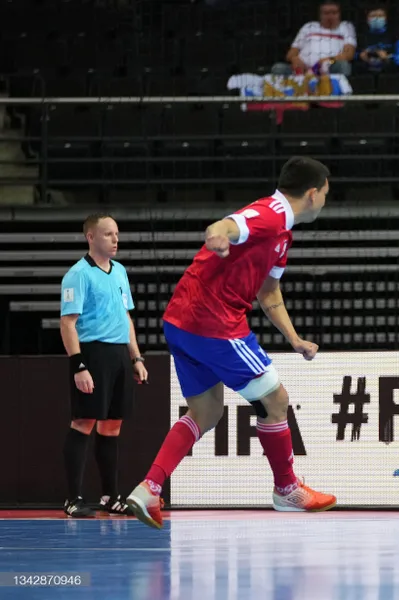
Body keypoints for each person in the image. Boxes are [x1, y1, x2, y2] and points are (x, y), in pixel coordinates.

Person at [126, 157, 337, 529]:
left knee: (206, 413)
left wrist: (294, 339)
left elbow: (268, 292)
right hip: (213, 321)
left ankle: (149, 488)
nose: (325, 200)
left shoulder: (282, 234)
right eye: (325, 193)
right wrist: (219, 235)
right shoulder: (270, 214)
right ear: (312, 193)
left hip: (182, 321)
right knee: (276, 400)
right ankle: (287, 489)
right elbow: (226, 225)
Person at [60, 214, 149, 518]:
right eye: (108, 234)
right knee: (84, 422)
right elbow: (68, 323)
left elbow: (126, 318)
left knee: (112, 426)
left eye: (117, 234)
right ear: (90, 237)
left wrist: (135, 358)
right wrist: (78, 365)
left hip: (118, 356)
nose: (115, 239)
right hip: (93, 353)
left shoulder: (120, 271)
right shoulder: (78, 274)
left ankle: (111, 496)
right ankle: (73, 499)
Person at [274, 1, 357, 77]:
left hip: (328, 69)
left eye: (334, 13)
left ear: (339, 14)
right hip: (301, 71)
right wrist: (294, 59)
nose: (330, 16)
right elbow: (290, 53)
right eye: (326, 13)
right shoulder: (309, 26)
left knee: (343, 65)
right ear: (320, 15)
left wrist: (327, 61)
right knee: (278, 68)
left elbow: (349, 54)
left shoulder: (346, 26)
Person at [355, 5, 399, 74]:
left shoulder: (396, 35)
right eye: (373, 16)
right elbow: (350, 54)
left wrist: (388, 57)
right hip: (364, 74)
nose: (377, 19)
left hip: (390, 74)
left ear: (385, 18)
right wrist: (359, 56)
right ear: (367, 18)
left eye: (380, 16)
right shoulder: (359, 36)